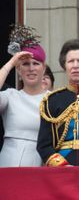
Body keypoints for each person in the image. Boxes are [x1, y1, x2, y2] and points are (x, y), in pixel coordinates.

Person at [0, 24, 47, 167]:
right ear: (19, 70)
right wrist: (11, 63)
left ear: (44, 69)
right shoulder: (10, 96)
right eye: (25, 64)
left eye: (36, 63)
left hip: (38, 165)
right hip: (8, 163)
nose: (31, 68)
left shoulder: (52, 99)